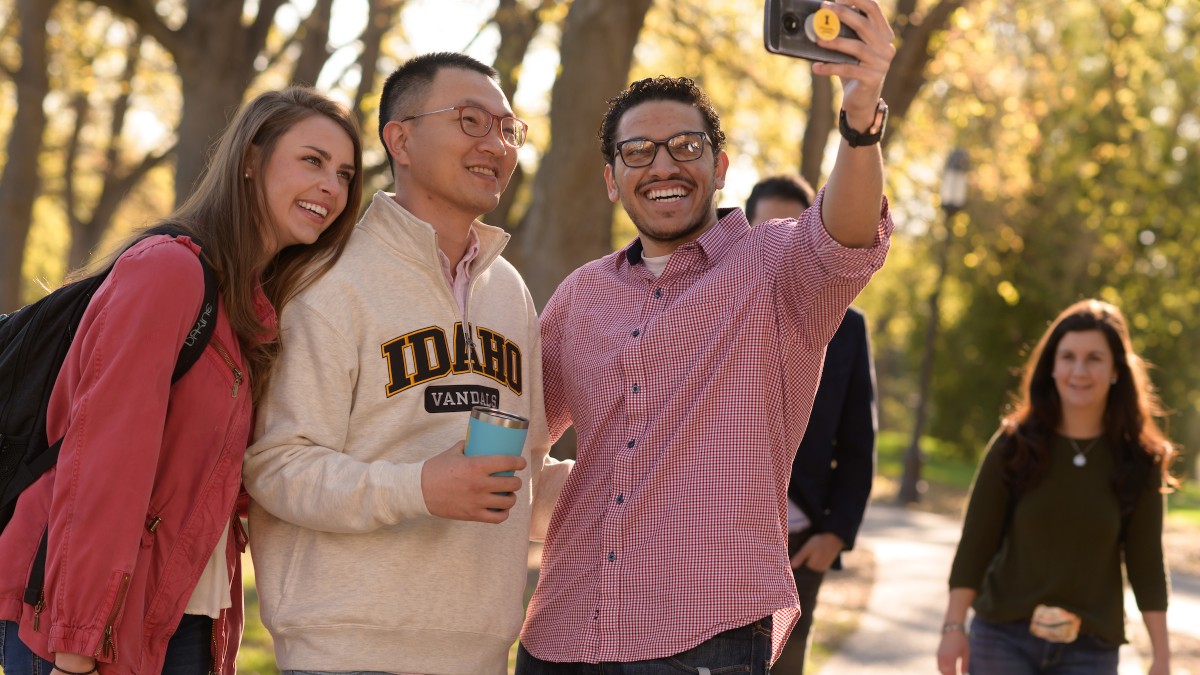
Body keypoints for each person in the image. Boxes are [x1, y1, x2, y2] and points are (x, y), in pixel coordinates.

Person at [517, 0, 896, 670]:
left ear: (720, 167)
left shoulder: (777, 268)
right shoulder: (581, 295)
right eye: (638, 151)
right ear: (612, 179)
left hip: (703, 636)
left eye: (686, 147)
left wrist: (860, 120)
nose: (663, 165)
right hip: (562, 631)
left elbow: (845, 234)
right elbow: (515, 428)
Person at [0, 87, 363, 675]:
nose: (333, 187)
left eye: (345, 174)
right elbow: (104, 465)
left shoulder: (249, 312)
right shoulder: (169, 272)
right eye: (312, 160)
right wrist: (76, 646)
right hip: (88, 624)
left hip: (182, 617)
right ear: (250, 160)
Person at [242, 52, 571, 675]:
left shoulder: (510, 292)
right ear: (401, 139)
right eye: (471, 121)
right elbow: (275, 467)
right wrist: (419, 487)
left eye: (507, 128)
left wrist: (625, 482)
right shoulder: (326, 279)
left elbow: (520, 475)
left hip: (481, 651)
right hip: (345, 651)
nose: (495, 144)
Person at [937, 299, 1176, 675]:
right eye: (1068, 357)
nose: (1079, 370)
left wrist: (1161, 657)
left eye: (1094, 358)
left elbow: (1147, 564)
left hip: (1091, 650)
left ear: (1116, 369)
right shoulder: (1014, 447)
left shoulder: (1140, 462)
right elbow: (975, 545)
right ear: (1051, 366)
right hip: (1002, 639)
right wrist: (953, 626)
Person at [745, 174, 877, 675]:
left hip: (800, 544)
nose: (780, 240)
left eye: (794, 228)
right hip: (714, 533)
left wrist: (836, 534)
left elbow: (859, 443)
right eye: (766, 228)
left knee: (785, 667)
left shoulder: (849, 326)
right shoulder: (712, 311)